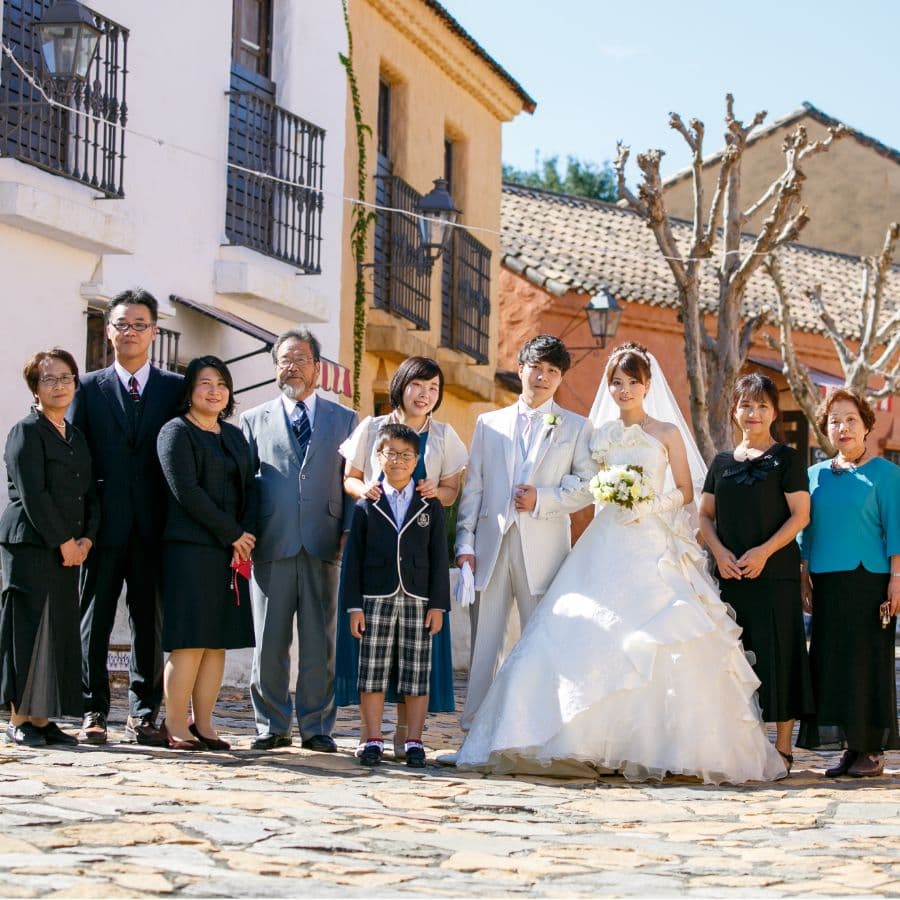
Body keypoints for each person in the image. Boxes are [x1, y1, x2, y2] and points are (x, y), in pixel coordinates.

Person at [457, 342, 787, 784]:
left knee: (658, 635)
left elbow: (687, 492)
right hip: (606, 539)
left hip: (653, 543)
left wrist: (648, 505)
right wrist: (596, 494)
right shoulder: (599, 434)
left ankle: (656, 746)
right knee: (579, 628)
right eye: (617, 382)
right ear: (608, 386)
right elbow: (586, 484)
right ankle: (572, 739)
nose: (625, 389)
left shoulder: (667, 432)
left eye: (633, 381)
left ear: (648, 385)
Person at [455, 334, 594, 729]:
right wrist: (464, 543)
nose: (543, 376)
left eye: (553, 371)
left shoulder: (576, 427)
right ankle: (476, 728)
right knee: (485, 643)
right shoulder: (489, 423)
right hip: (491, 545)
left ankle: (540, 727)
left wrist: (544, 497)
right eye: (537, 367)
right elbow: (475, 489)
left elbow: (587, 484)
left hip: (545, 549)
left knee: (542, 640)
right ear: (521, 370)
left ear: (560, 378)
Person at [69, 289, 183, 745]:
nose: (130, 332)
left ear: (154, 332)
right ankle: (93, 708)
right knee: (93, 620)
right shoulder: (87, 386)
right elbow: (75, 456)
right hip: (101, 527)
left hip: (155, 528)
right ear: (108, 330)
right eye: (122, 324)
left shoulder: (175, 389)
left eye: (140, 324)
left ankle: (143, 712)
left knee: (148, 624)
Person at [337, 357, 467, 757]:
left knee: (415, 662)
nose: (425, 394)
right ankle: (370, 734)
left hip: (417, 559)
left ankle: (408, 737)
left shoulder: (445, 436)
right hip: (376, 547)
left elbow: (451, 492)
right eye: (417, 385)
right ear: (401, 385)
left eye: (433, 388)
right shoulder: (372, 428)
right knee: (372, 659)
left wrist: (433, 493)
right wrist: (367, 494)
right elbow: (350, 477)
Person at [241, 328, 358, 751]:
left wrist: (347, 529)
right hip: (271, 542)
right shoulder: (253, 420)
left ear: (317, 368)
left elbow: (352, 482)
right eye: (284, 359)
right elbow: (244, 485)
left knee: (318, 643)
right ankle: (270, 726)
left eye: (300, 359)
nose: (291, 366)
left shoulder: (345, 420)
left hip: (325, 542)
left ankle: (316, 726)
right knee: (269, 641)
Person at [699, 373, 813, 773]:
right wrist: (720, 552)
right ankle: (741, 744)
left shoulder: (787, 459)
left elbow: (801, 516)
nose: (754, 413)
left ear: (774, 413)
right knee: (734, 659)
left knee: (779, 657)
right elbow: (704, 517)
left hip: (774, 575)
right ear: (734, 410)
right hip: (728, 578)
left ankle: (782, 746)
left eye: (763, 406)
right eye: (746, 405)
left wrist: (763, 552)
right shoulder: (721, 462)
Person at [796, 389, 900, 777]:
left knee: (867, 663)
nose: (842, 427)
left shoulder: (887, 474)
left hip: (870, 581)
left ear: (866, 425)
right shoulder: (814, 475)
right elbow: (807, 531)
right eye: (834, 420)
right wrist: (804, 573)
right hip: (826, 582)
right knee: (832, 665)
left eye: (850, 419)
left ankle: (870, 750)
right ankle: (848, 748)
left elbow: (896, 531)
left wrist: (897, 581)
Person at [156, 357, 257, 751]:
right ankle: (176, 724)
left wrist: (245, 536)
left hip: (230, 552)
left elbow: (252, 485)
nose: (214, 391)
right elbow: (187, 492)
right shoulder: (175, 432)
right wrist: (234, 533)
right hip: (189, 550)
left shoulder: (233, 436)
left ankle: (206, 724)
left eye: (222, 384)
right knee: (190, 640)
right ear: (190, 390)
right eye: (205, 383)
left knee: (217, 641)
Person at [0, 349, 99, 746]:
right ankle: (19, 717)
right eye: (49, 379)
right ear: (35, 389)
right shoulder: (26, 431)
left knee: (56, 628)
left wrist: (87, 538)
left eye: (66, 377)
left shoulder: (75, 436)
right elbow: (33, 494)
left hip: (71, 547)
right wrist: (63, 542)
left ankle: (42, 717)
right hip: (31, 544)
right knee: (26, 626)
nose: (59, 385)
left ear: (76, 383)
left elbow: (90, 492)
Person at [340, 423, 451, 768]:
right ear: (379, 456)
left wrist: (439, 606)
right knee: (371, 671)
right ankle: (372, 736)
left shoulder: (430, 506)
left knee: (416, 674)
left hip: (418, 600)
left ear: (417, 459)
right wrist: (354, 607)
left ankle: (414, 740)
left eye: (407, 455)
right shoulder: (366, 504)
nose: (399, 461)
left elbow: (438, 560)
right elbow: (352, 560)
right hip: (376, 597)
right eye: (392, 453)